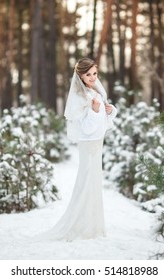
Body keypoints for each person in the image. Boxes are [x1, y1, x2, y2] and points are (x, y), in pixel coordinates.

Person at [38, 57, 117, 241]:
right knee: (87, 180)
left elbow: (105, 118)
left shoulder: (94, 90)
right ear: (80, 76)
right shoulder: (80, 96)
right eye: (88, 74)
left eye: (94, 73)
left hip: (97, 143)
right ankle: (81, 224)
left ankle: (94, 224)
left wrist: (108, 109)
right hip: (88, 144)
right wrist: (95, 111)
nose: (92, 77)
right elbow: (87, 128)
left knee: (95, 181)